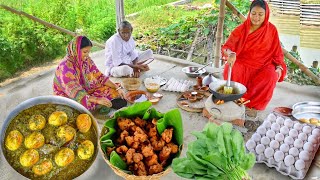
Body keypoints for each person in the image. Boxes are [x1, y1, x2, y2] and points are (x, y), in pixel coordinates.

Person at [222, 0, 287, 115]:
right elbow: (226, 47)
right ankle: (237, 99)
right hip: (243, 62)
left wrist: (279, 67)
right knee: (229, 67)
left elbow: (277, 53)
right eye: (253, 13)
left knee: (271, 75)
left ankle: (252, 105)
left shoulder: (271, 30)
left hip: (264, 65)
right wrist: (230, 53)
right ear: (249, 13)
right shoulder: (241, 29)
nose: (256, 18)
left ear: (266, 15)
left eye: (260, 14)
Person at [53, 36, 125, 111]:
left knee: (114, 90)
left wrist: (117, 87)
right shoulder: (64, 68)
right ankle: (95, 103)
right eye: (85, 52)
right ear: (75, 50)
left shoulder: (86, 60)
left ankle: (97, 101)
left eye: (88, 52)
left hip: (85, 90)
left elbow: (99, 76)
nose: (87, 55)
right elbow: (74, 93)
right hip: (69, 95)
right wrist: (97, 100)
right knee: (81, 106)